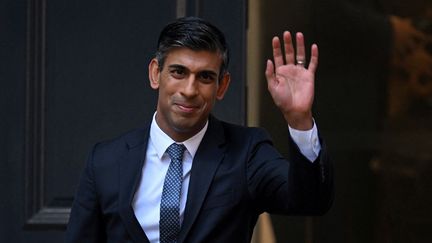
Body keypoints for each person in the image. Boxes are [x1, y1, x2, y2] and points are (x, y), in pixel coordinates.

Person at [65, 16, 333, 243]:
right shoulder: (105, 161)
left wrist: (299, 118)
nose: (190, 90)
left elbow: (310, 201)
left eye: (205, 77)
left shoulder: (247, 152)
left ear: (222, 85)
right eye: (178, 72)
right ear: (155, 73)